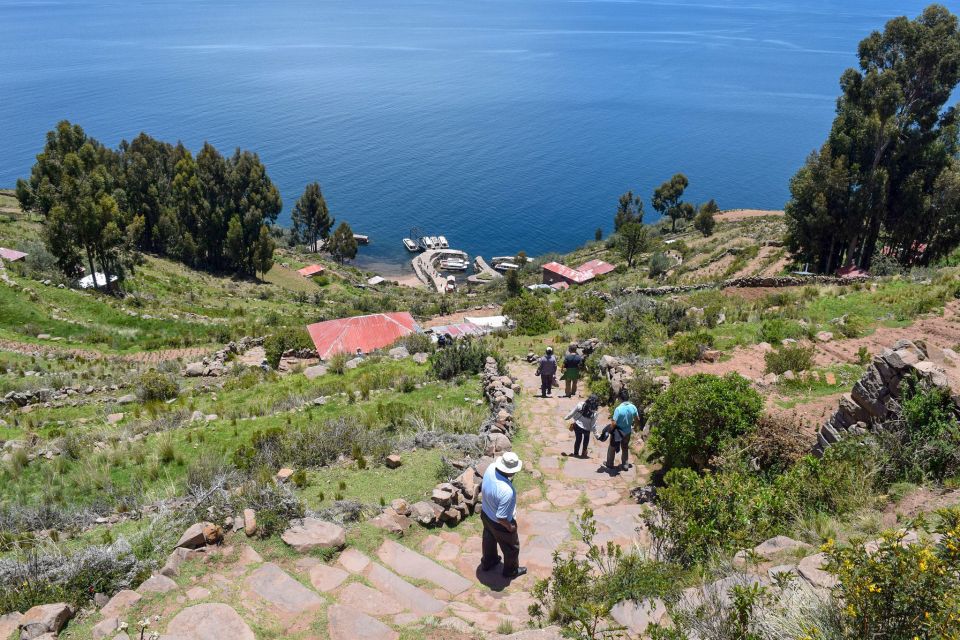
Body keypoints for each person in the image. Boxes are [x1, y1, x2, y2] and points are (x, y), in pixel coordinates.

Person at [480, 452, 527, 578]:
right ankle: (511, 571)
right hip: (499, 522)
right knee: (512, 547)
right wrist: (510, 527)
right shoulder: (506, 491)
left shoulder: (491, 468)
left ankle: (488, 561)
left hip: (486, 513)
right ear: (511, 471)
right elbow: (501, 517)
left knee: (489, 538)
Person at [604, 388, 639, 471]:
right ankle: (625, 465)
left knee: (612, 447)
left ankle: (609, 463)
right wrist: (635, 427)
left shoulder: (618, 409)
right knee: (625, 447)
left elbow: (614, 423)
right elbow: (637, 418)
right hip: (627, 432)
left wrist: (610, 430)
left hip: (618, 432)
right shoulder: (633, 407)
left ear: (620, 398)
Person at [564, 394, 599, 458]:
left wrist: (566, 418)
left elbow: (572, 413)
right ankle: (584, 453)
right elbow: (593, 425)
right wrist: (597, 435)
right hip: (587, 429)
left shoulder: (580, 404)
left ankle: (576, 453)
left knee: (578, 439)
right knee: (586, 440)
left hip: (577, 426)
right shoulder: (595, 413)